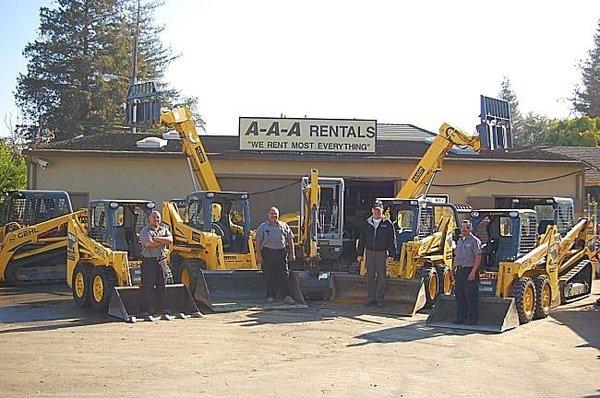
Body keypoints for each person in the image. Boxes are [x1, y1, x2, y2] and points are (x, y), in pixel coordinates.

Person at [356, 200, 396, 309]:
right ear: (372, 210)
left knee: (381, 277)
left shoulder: (387, 224)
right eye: (375, 210)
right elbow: (362, 239)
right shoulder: (366, 223)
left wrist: (391, 255)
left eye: (379, 210)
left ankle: (380, 300)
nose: (377, 212)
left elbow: (392, 240)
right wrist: (360, 254)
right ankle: (370, 299)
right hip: (369, 252)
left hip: (381, 253)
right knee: (369, 276)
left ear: (382, 210)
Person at [255, 206, 296, 305]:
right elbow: (258, 243)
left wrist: (292, 253)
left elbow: (290, 241)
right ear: (268, 215)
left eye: (275, 214)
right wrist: (259, 256)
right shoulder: (263, 227)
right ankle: (270, 296)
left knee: (284, 275)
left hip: (281, 253)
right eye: (272, 213)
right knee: (270, 275)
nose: (274, 215)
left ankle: (287, 296)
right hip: (268, 253)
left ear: (278, 215)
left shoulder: (284, 226)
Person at [139, 210, 173, 321]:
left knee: (162, 286)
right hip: (149, 262)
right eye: (154, 217)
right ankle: (145, 311)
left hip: (162, 261)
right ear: (149, 219)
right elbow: (149, 244)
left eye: (158, 217)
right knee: (147, 287)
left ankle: (161, 310)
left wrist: (157, 239)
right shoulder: (145, 231)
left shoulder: (164, 229)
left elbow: (170, 240)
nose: (156, 219)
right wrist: (163, 242)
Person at [453, 219, 482, 325]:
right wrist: (453, 269)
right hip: (459, 270)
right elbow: (456, 256)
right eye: (463, 227)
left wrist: (473, 272)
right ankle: (461, 317)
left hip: (469, 270)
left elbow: (478, 257)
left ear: (471, 229)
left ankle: (472, 319)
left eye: (467, 227)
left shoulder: (475, 241)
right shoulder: (459, 241)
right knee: (459, 295)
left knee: (470, 296)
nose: (464, 229)